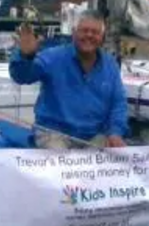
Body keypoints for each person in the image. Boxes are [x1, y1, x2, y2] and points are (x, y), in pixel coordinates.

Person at [9, 9, 128, 149]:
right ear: (74, 32)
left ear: (102, 37)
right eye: (84, 30)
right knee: (58, 158)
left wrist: (116, 132)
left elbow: (118, 104)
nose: (89, 35)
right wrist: (25, 56)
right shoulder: (53, 57)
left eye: (95, 32)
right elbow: (22, 76)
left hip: (94, 135)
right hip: (53, 134)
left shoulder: (110, 65)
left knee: (104, 159)